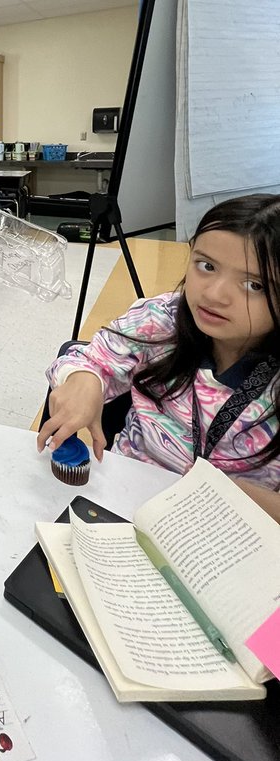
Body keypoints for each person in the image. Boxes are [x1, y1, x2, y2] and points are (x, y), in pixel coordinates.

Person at [38, 194, 280, 521]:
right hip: (123, 500)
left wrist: (228, 491)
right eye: (206, 266)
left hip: (232, 532)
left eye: (254, 285)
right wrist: (84, 380)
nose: (213, 294)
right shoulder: (161, 321)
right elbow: (85, 359)